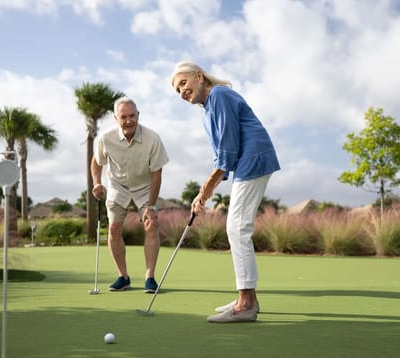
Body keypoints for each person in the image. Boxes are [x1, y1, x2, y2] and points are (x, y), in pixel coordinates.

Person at [170, 61, 280, 323]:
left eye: (183, 83)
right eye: (177, 91)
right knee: (237, 227)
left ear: (199, 76)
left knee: (237, 228)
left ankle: (247, 304)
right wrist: (206, 191)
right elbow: (223, 153)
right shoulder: (207, 110)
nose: (182, 92)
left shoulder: (218, 94)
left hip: (253, 159)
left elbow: (228, 146)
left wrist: (205, 189)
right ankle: (246, 297)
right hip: (247, 162)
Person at [91, 96, 169, 293]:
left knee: (152, 226)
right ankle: (123, 277)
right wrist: (97, 182)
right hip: (118, 186)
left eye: (132, 116)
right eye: (123, 116)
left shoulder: (153, 138)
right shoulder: (105, 138)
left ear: (138, 115)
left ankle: (150, 277)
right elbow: (96, 161)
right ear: (115, 118)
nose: (128, 121)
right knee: (114, 229)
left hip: (145, 187)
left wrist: (151, 207)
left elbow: (156, 174)